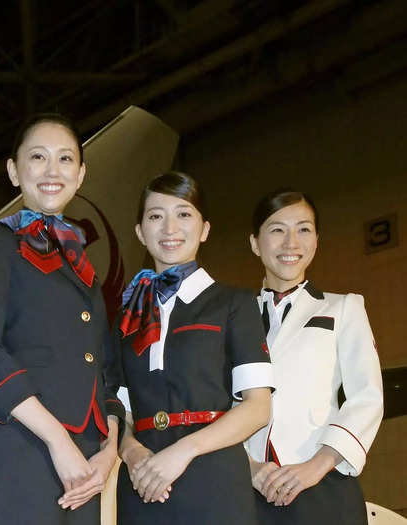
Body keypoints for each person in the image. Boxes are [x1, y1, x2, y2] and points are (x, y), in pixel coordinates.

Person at [0, 114, 123, 525]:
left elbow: (105, 368)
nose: (53, 171)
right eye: (38, 157)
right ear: (14, 171)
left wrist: (110, 450)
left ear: (80, 174)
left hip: (85, 462)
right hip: (18, 446)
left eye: (65, 159)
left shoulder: (84, 267)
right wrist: (57, 439)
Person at [109, 172, 273, 525]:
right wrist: (132, 452)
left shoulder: (234, 304)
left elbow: (258, 408)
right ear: (140, 232)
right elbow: (117, 407)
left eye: (183, 214)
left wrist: (183, 452)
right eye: (155, 216)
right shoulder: (127, 316)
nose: (169, 228)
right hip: (142, 483)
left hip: (213, 477)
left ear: (205, 229)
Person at [245, 189, 383, 525]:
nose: (291, 242)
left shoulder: (343, 307)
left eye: (303, 229)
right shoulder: (232, 318)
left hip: (323, 485)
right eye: (277, 230)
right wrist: (249, 468)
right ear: (255, 243)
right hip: (247, 490)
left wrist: (314, 467)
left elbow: (367, 397)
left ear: (316, 241)